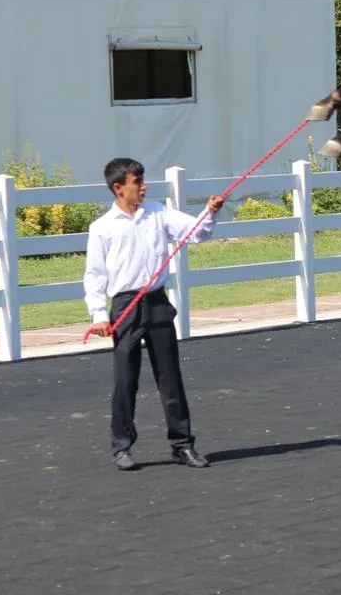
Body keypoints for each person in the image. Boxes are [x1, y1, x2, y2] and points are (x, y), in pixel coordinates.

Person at [83, 157, 224, 471]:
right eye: (137, 182)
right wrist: (98, 316)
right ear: (119, 188)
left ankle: (182, 445)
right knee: (125, 381)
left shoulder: (158, 213)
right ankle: (121, 447)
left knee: (170, 378)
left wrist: (210, 213)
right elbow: (94, 275)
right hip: (125, 307)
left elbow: (197, 233)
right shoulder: (102, 228)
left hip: (157, 303)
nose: (144, 187)